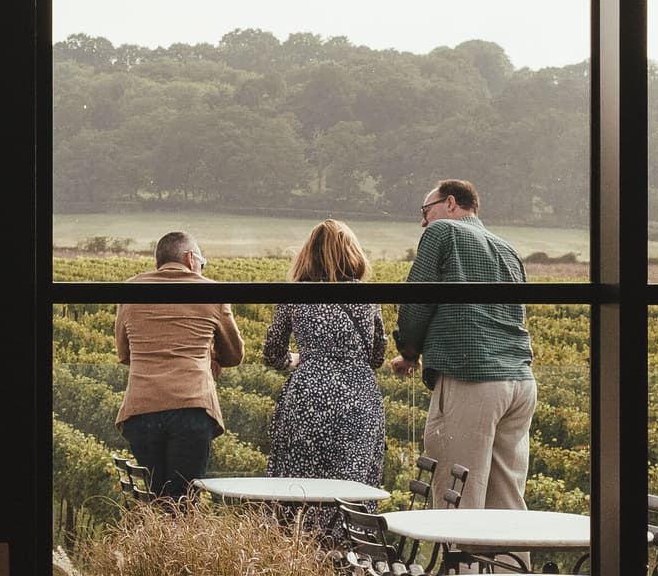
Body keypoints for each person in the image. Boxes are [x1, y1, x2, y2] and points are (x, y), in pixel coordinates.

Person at [395, 177, 534, 508]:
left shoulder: (442, 232)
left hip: (471, 375)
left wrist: (409, 351)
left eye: (426, 210)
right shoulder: (507, 248)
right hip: (520, 382)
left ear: (451, 203)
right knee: (507, 497)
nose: (423, 220)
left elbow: (416, 302)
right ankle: (509, 563)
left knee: (456, 492)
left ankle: (459, 563)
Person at [114, 229, 246, 500]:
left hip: (142, 408)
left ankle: (153, 542)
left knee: (156, 497)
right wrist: (209, 352)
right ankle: (175, 543)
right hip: (192, 407)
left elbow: (124, 354)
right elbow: (234, 355)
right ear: (190, 258)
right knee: (184, 499)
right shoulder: (212, 292)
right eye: (202, 262)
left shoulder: (130, 289)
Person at [260, 220, 388, 490]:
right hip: (359, 395)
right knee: (352, 486)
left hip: (309, 394)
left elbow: (272, 353)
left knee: (299, 485)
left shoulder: (296, 294)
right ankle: (344, 532)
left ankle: (300, 532)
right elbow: (377, 357)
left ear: (309, 253)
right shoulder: (368, 296)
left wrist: (296, 359)